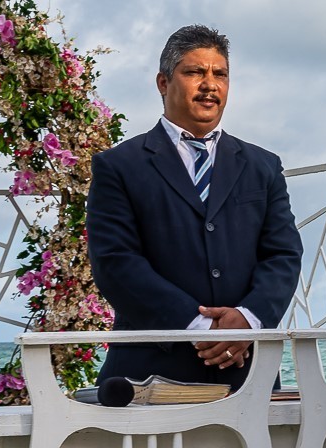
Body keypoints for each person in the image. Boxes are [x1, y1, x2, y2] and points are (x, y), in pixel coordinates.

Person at [87, 24, 303, 386]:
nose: (210, 84)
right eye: (194, 72)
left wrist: (247, 319)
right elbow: (115, 262)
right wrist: (199, 326)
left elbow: (283, 254)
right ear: (163, 83)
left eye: (220, 74)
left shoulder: (263, 165)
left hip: (247, 371)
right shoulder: (119, 166)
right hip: (149, 373)